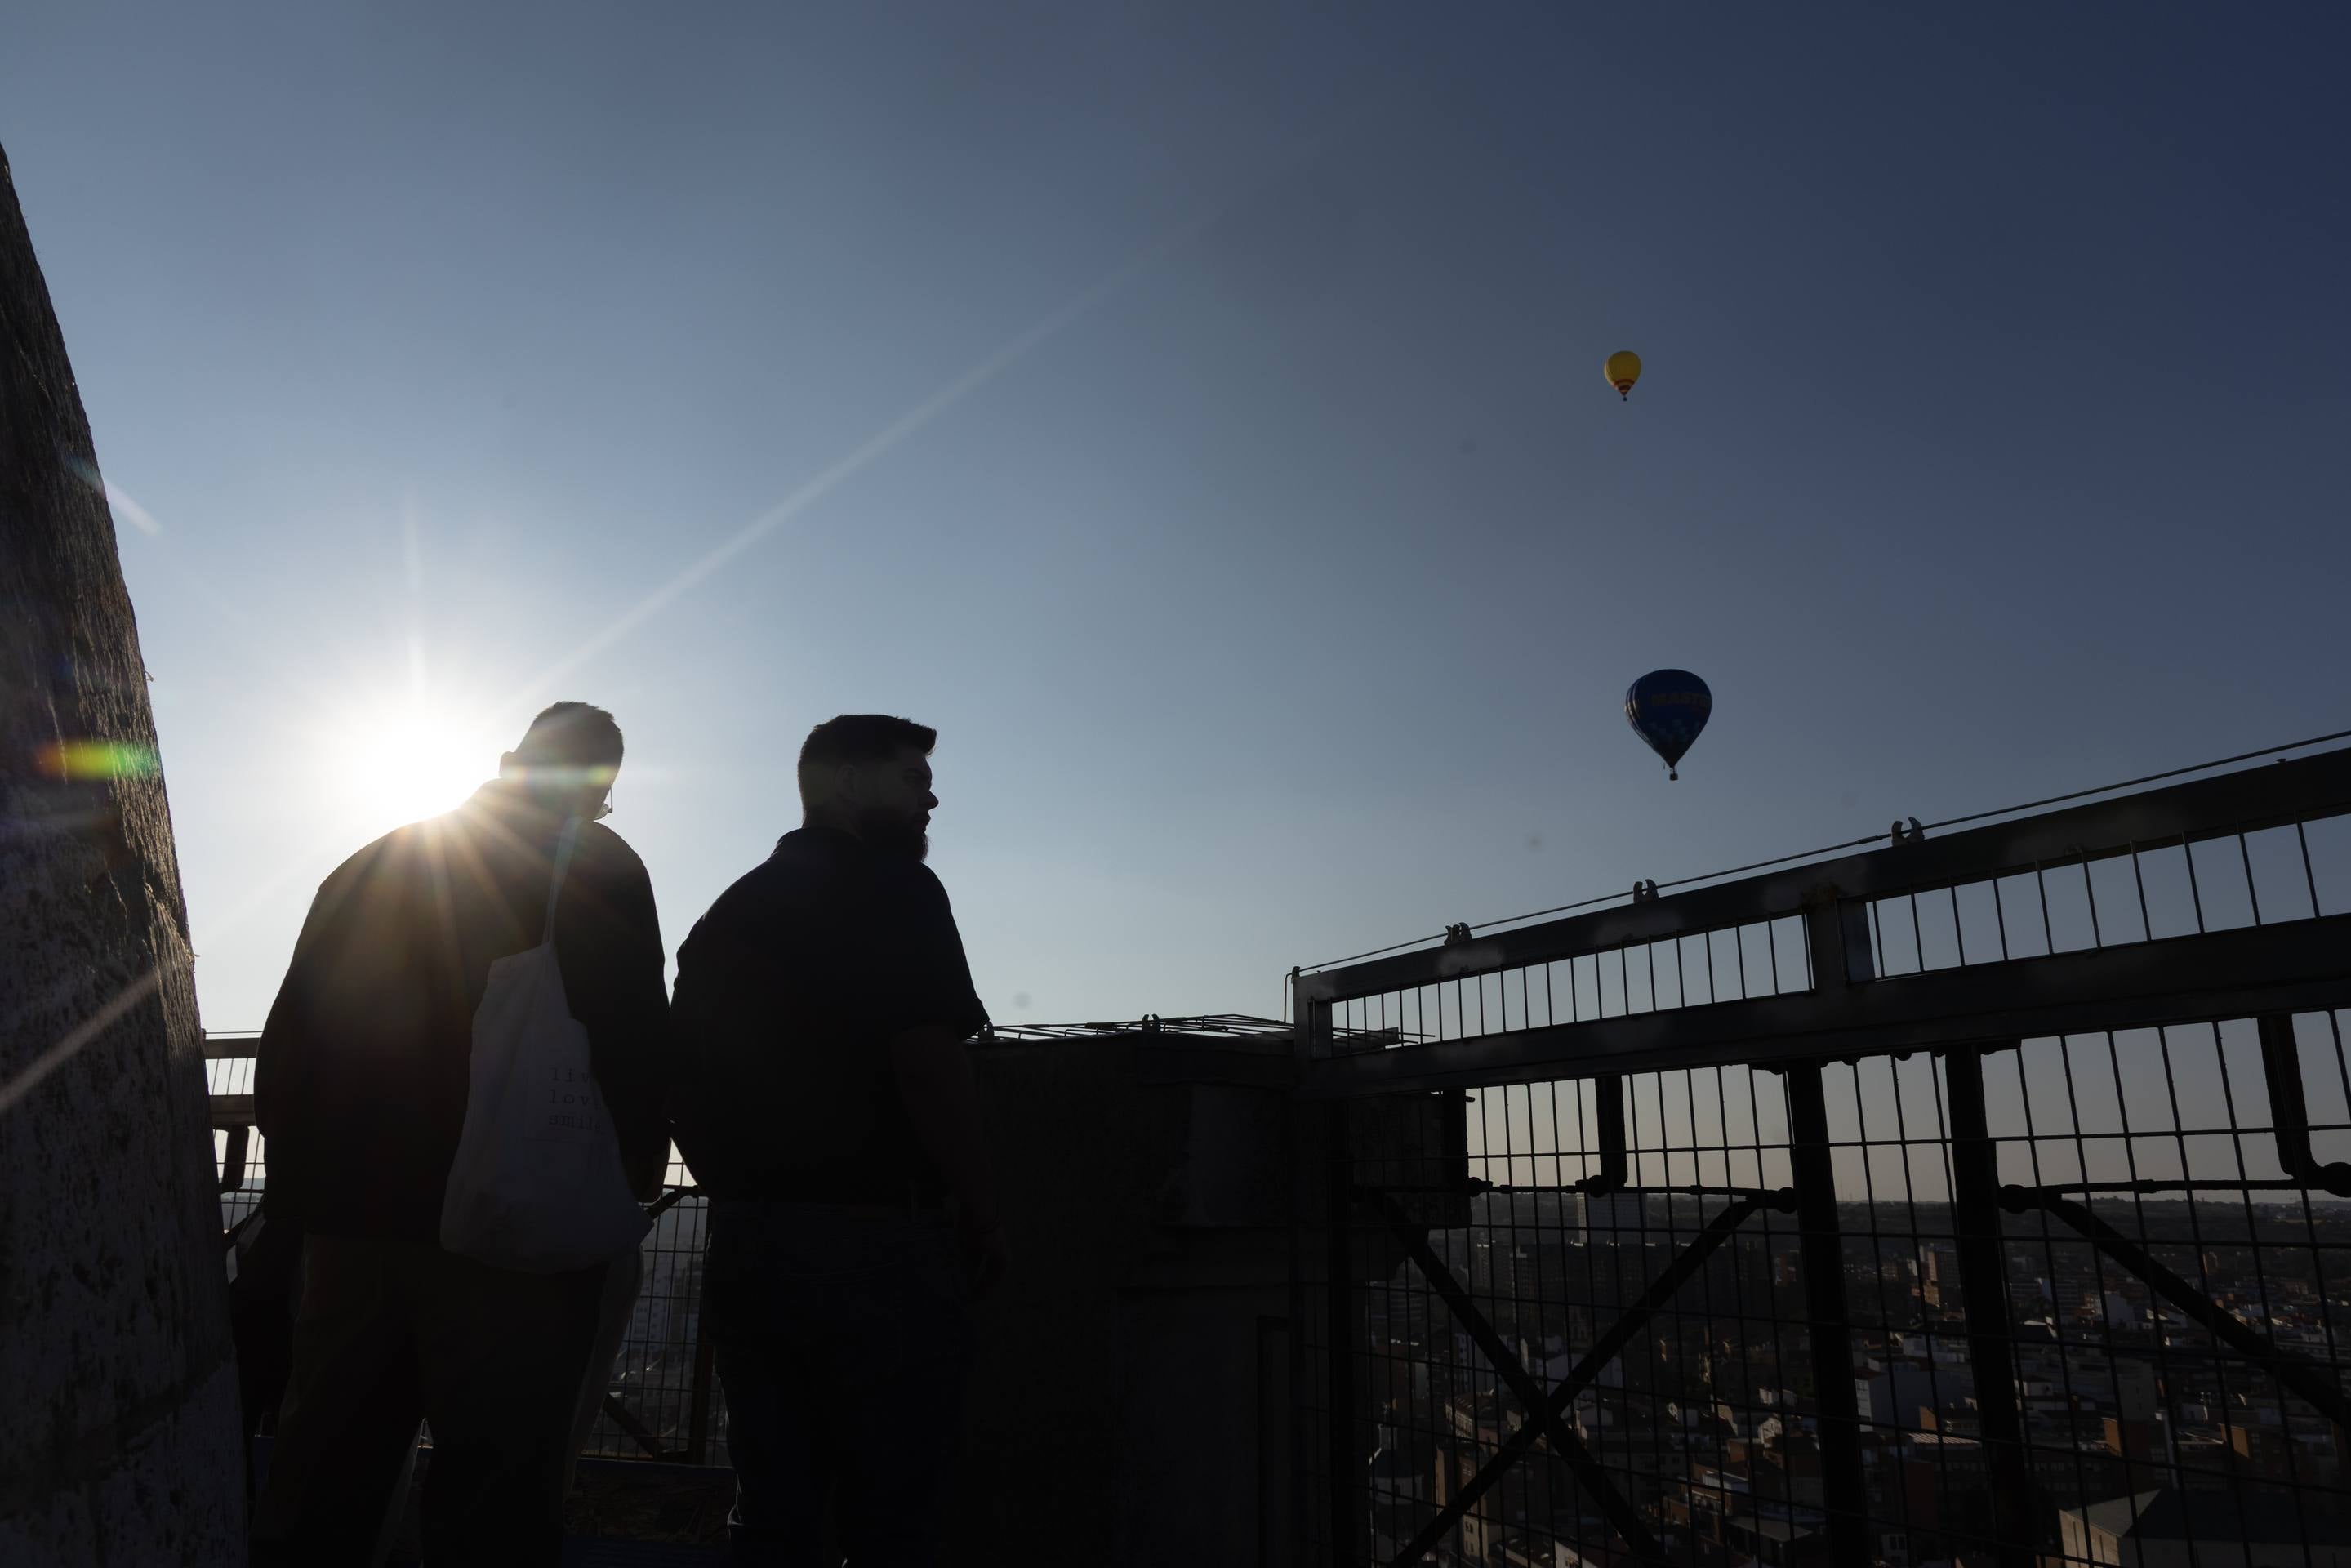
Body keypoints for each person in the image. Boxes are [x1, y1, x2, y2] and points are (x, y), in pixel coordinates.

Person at [252, 702, 668, 1566]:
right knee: (496, 1494)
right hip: (506, 1230)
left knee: (327, 1475)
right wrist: (631, 1167)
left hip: (351, 1222)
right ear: (595, 789)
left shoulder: (377, 860)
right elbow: (630, 1035)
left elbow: (290, 1038)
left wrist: (297, 1198)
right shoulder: (595, 866)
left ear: (511, 759)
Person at [670, 713, 1005, 1567]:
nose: (930, 796)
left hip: (752, 1242)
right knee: (896, 1509)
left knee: (775, 1506)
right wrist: (982, 1204)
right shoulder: (896, 891)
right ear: (849, 784)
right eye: (909, 778)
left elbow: (680, 1078)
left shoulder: (730, 911)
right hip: (878, 1244)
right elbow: (927, 1058)